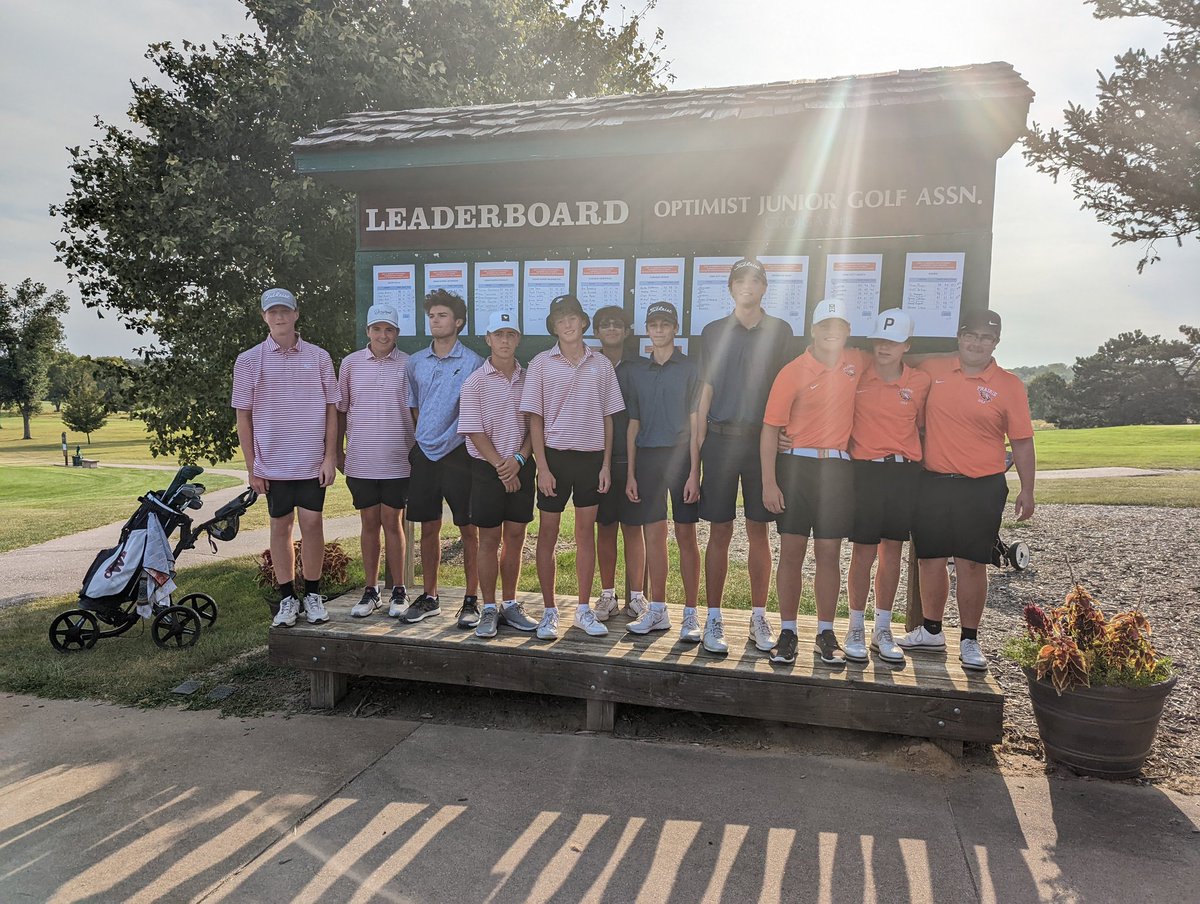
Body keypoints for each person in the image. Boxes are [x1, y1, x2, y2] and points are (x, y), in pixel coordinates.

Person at [899, 309, 1036, 671]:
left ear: (996, 343)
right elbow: (892, 360)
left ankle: (970, 638)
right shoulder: (934, 367)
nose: (977, 344)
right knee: (929, 559)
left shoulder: (1009, 385)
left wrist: (1028, 490)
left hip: (982, 486)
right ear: (959, 337)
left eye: (986, 338)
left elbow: (1021, 442)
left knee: (972, 563)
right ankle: (931, 630)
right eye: (971, 336)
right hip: (932, 481)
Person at [697, 258, 794, 654]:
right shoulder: (713, 331)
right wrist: (696, 449)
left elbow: (791, 387)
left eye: (755, 280)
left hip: (762, 441)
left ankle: (758, 616)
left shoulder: (781, 331)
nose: (748, 286)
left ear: (765, 287)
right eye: (741, 280)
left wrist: (790, 430)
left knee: (759, 529)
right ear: (731, 288)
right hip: (720, 440)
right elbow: (705, 390)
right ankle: (713, 617)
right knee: (719, 530)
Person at [761, 297, 866, 665]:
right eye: (825, 326)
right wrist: (769, 482)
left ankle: (825, 632)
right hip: (796, 467)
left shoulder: (856, 362)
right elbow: (771, 428)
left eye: (838, 327)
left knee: (828, 554)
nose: (831, 333)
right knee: (791, 553)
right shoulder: (792, 370)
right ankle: (788, 631)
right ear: (813, 330)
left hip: (836, 469)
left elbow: (900, 360)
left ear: (847, 333)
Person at [231, 287, 339, 627]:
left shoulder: (320, 357)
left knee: (311, 525)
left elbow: (331, 410)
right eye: (272, 312)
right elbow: (243, 418)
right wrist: (253, 468)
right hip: (272, 464)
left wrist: (330, 457)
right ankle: (287, 600)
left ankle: (313, 594)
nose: (279, 317)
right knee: (280, 528)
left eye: (285, 311)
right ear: (264, 317)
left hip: (311, 460)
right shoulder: (248, 360)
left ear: (295, 315)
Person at [520, 294, 625, 640]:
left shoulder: (601, 365)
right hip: (554, 460)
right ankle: (550, 611)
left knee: (585, 534)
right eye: (560, 319)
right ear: (554, 325)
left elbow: (609, 419)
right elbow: (534, 420)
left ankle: (582, 609)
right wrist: (543, 467)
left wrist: (606, 465)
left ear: (582, 322)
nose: (567, 324)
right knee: (547, 534)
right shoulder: (540, 364)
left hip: (592, 460)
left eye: (573, 318)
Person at [844, 308, 931, 664]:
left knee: (891, 551)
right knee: (863, 551)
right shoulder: (859, 374)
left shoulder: (920, 382)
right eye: (879, 340)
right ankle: (854, 625)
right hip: (865, 472)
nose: (884, 347)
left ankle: (882, 628)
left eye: (892, 342)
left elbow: (923, 425)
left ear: (906, 346)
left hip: (903, 472)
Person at [457, 312, 540, 638]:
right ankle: (489, 607)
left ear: (518, 339)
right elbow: (474, 431)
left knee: (516, 538)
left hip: (522, 463)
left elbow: (536, 423)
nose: (504, 340)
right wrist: (502, 468)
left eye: (510, 334)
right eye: (498, 334)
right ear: (488, 339)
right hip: (487, 469)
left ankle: (509, 603)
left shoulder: (530, 377)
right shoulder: (475, 381)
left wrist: (518, 459)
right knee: (489, 540)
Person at [403, 289, 484, 626]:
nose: (436, 321)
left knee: (469, 529)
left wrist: (449, 439)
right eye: (432, 316)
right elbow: (415, 406)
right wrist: (428, 439)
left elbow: (477, 411)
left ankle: (471, 599)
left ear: (458, 322)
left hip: (460, 456)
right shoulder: (416, 361)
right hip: (425, 455)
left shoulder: (474, 363)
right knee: (428, 527)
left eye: (443, 316)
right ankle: (431, 596)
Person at [623, 302, 702, 637]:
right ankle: (658, 610)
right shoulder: (638, 370)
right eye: (653, 324)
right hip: (648, 459)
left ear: (675, 329)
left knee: (686, 534)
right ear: (647, 330)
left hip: (681, 457)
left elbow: (697, 424)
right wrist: (629, 472)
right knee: (653, 534)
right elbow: (632, 424)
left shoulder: (691, 368)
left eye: (665, 324)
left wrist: (695, 471)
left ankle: (691, 614)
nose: (659, 330)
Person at [335, 304, 416, 619]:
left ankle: (398, 590)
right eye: (377, 329)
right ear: (368, 331)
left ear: (397, 333)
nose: (383, 335)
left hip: (398, 460)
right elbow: (341, 411)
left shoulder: (409, 365)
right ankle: (371, 591)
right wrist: (338, 453)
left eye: (390, 329)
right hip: (361, 460)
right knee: (369, 523)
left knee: (393, 523)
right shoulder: (351, 364)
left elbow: (415, 412)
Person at [592, 305, 648, 621]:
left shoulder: (640, 366)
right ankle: (608, 595)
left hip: (633, 458)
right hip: (598, 459)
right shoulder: (589, 364)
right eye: (605, 324)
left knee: (633, 527)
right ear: (597, 332)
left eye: (618, 324)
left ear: (627, 331)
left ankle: (637, 596)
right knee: (606, 526)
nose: (611, 328)